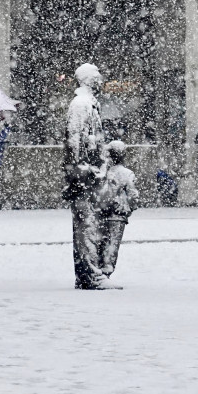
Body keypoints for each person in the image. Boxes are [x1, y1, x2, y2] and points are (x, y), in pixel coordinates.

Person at [63, 63, 119, 290]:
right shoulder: (81, 105)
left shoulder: (89, 104)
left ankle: (86, 274)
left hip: (88, 175)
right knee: (86, 227)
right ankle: (90, 275)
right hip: (84, 177)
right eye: (96, 76)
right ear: (87, 79)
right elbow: (74, 140)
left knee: (88, 226)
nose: (100, 79)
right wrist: (81, 169)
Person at [95, 140, 139, 279]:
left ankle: (98, 269)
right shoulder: (127, 173)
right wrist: (130, 208)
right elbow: (132, 195)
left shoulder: (102, 173)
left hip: (101, 213)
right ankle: (107, 271)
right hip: (118, 214)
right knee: (112, 245)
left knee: (100, 242)